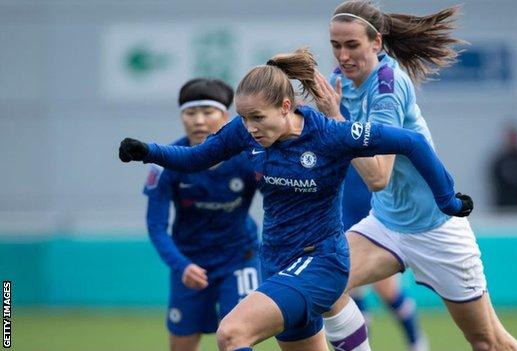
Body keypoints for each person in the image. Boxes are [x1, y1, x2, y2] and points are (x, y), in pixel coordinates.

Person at [119, 48, 473, 351]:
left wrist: (448, 201)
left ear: (286, 107)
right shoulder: (245, 133)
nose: (251, 127)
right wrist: (148, 151)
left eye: (258, 117)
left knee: (231, 332)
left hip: (320, 262)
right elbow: (196, 158)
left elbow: (412, 143)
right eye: (244, 118)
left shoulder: (331, 135)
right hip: (275, 262)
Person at [312, 1, 517, 350]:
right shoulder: (340, 81)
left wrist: (335, 121)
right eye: (336, 45)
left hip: (436, 230)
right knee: (320, 282)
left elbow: (378, 176)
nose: (343, 55)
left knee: (487, 341)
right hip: (385, 224)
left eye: (352, 45)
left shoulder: (388, 86)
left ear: (376, 43)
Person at [143, 78, 261, 351]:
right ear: (182, 117)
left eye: (207, 112)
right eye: (190, 113)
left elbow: (279, 200)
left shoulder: (248, 158)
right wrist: (181, 265)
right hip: (190, 263)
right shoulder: (166, 161)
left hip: (239, 259)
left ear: (225, 117)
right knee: (182, 345)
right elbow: (156, 226)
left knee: (237, 335)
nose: (198, 121)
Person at [342, 165, 428, 351]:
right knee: (351, 292)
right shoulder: (333, 140)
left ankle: (416, 343)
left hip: (378, 219)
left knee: (388, 291)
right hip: (345, 219)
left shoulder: (376, 142)